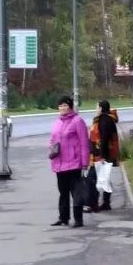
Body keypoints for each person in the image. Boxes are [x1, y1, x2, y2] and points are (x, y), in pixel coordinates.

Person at [48, 95, 91, 228]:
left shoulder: (77, 121)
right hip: (59, 163)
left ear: (70, 107)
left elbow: (84, 143)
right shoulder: (57, 122)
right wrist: (50, 148)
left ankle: (78, 220)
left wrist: (85, 163)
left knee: (76, 192)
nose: (62, 108)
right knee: (63, 192)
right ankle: (63, 218)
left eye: (65, 105)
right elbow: (52, 139)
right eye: (60, 106)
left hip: (74, 163)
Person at [88, 99, 120, 212]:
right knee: (105, 179)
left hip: (100, 155)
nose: (96, 109)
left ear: (101, 108)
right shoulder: (107, 119)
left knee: (92, 179)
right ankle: (106, 203)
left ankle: (94, 205)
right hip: (103, 154)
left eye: (97, 107)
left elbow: (104, 139)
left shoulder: (104, 120)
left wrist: (102, 156)